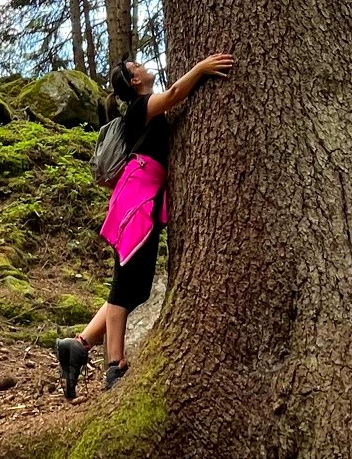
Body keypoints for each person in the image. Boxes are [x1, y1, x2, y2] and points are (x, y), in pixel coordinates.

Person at [55, 51, 234, 398]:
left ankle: (79, 345)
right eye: (136, 66)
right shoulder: (140, 107)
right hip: (136, 199)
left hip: (141, 197)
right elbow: (175, 95)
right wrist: (202, 68)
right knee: (125, 283)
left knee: (137, 286)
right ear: (134, 81)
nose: (142, 65)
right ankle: (114, 365)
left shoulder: (144, 108)